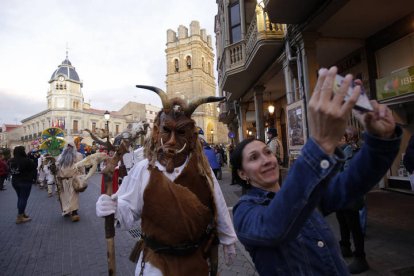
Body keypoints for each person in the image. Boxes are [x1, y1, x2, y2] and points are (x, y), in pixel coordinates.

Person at [231, 67, 401, 275]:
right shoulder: (244, 212)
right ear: (242, 174)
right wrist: (321, 144)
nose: (267, 160)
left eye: (268, 152)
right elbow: (275, 226)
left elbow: (354, 182)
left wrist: (380, 139)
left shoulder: (308, 194)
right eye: (254, 158)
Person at [96, 86, 237, 275]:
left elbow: (218, 205)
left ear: (192, 136)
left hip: (195, 264)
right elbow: (128, 211)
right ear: (156, 132)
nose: (171, 140)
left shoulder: (203, 171)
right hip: (155, 266)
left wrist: (228, 240)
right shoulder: (143, 170)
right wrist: (114, 207)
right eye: (166, 130)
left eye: (180, 133)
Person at [335, 127, 369, 273]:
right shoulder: (336, 154)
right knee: (342, 220)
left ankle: (360, 257)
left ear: (344, 139)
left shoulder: (353, 151)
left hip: (351, 196)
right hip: (340, 196)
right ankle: (345, 246)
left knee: (354, 226)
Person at [56, 141, 84, 222]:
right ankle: (67, 210)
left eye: (70, 147)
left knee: (73, 196)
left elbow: (81, 166)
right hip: (63, 179)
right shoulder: (61, 156)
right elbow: (57, 167)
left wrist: (82, 177)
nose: (69, 148)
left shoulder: (78, 155)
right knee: (65, 196)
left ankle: (74, 212)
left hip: (73, 179)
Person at [8, 146, 37, 224]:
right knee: (23, 198)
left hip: (14, 181)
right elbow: (34, 166)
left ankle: (22, 213)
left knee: (20, 198)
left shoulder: (11, 160)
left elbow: (9, 170)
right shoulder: (26, 160)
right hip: (25, 181)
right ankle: (20, 217)